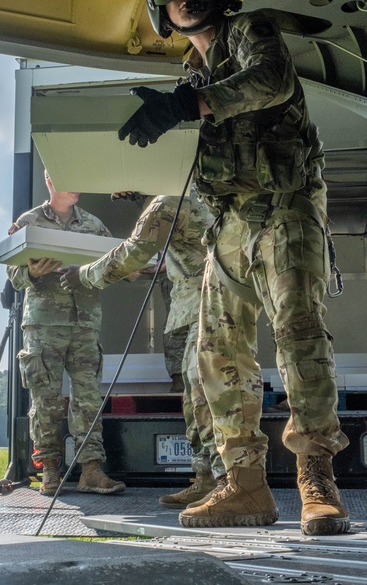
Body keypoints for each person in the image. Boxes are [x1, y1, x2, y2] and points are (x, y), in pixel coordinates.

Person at [116, 0, 350, 535]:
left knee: (299, 335)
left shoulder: (250, 31)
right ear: (158, 9)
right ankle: (244, 486)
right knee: (215, 354)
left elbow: (270, 80)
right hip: (231, 220)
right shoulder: (189, 74)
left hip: (287, 207)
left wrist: (189, 104)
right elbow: (195, 150)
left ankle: (316, 481)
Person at [60, 189, 225, 509]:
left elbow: (134, 251)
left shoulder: (171, 201)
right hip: (194, 309)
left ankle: (223, 483)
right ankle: (206, 479)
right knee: (196, 399)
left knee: (208, 398)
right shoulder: (188, 199)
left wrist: (84, 275)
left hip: (211, 308)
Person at [6, 171, 125, 497]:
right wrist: (30, 271)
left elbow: (112, 263)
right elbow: (14, 275)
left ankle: (91, 470)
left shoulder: (93, 224)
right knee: (46, 402)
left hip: (85, 325)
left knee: (88, 400)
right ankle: (50, 470)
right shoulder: (29, 222)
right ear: (49, 181)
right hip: (44, 326)